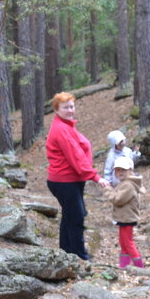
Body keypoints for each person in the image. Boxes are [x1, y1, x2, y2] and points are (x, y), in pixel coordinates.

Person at [45, 91, 106, 260]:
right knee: (77, 217)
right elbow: (76, 157)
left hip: (72, 180)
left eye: (72, 106)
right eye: (65, 107)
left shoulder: (67, 126)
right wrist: (96, 177)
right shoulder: (61, 129)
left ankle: (66, 253)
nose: (70, 110)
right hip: (64, 181)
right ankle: (80, 257)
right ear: (57, 109)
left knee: (70, 215)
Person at [104, 155, 145, 268]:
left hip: (127, 218)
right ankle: (124, 265)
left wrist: (108, 190)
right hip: (123, 218)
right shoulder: (124, 183)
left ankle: (139, 266)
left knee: (128, 242)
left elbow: (118, 200)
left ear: (131, 171)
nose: (120, 172)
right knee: (123, 242)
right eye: (118, 170)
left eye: (124, 170)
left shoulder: (128, 185)